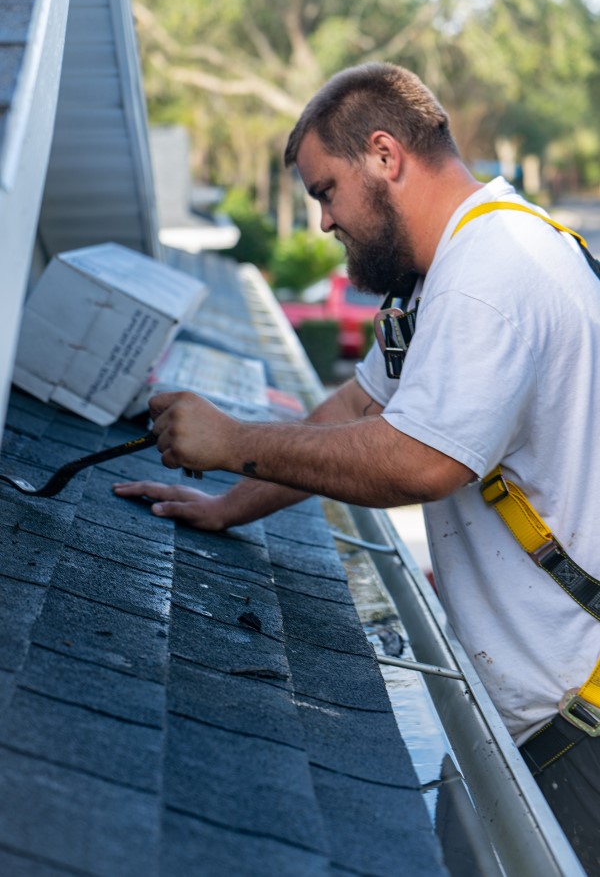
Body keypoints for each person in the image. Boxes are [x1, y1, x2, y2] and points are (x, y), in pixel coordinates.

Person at [114, 63, 600, 873]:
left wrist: (233, 438)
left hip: (577, 726)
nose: (326, 221)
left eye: (326, 191)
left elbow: (416, 463)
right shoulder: (455, 268)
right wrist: (230, 504)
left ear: (385, 155)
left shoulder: (491, 275)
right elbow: (356, 411)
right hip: (544, 711)